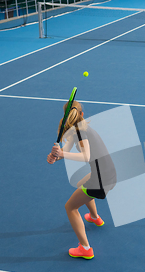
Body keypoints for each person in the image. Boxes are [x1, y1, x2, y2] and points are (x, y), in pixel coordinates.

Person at [47, 101, 116, 259]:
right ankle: (94, 217)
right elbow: (66, 149)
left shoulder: (79, 133)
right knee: (80, 184)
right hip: (109, 173)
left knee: (70, 207)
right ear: (82, 115)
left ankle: (85, 248)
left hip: (100, 180)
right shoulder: (79, 128)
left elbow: (86, 156)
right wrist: (55, 156)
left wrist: (62, 154)